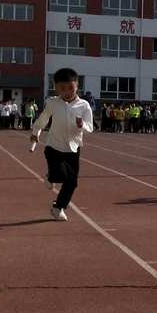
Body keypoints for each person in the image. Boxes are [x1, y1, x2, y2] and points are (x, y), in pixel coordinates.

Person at [30, 67, 94, 222]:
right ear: (56, 88)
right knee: (60, 175)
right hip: (54, 146)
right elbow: (43, 120)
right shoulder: (52, 103)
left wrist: (82, 125)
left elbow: (90, 128)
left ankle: (58, 207)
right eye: (62, 88)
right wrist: (35, 133)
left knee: (72, 182)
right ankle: (51, 176)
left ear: (77, 86)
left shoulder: (84, 105)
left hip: (73, 148)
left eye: (70, 87)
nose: (67, 92)